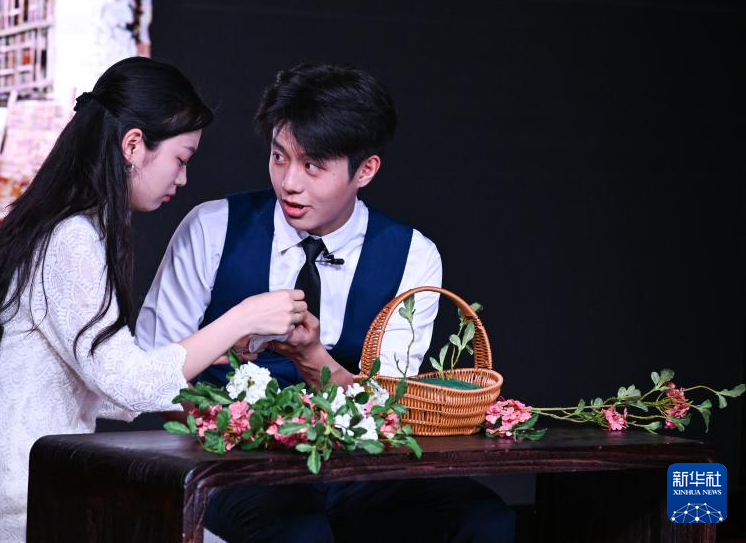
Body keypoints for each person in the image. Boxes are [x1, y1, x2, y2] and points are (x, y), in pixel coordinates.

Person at [136, 63, 515, 542]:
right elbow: (153, 369)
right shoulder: (212, 228)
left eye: (313, 166)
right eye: (279, 157)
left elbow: (387, 409)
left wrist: (311, 357)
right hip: (230, 464)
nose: (290, 182)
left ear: (366, 170)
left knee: (483, 518)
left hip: (357, 467)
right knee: (298, 532)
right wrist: (223, 429)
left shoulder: (411, 256)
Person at [0, 57, 307, 543]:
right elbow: (130, 386)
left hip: (15, 506)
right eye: (181, 159)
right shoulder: (72, 237)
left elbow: (111, 387)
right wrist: (242, 317)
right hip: (24, 518)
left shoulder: (54, 224)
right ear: (133, 145)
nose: (183, 179)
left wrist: (210, 349)